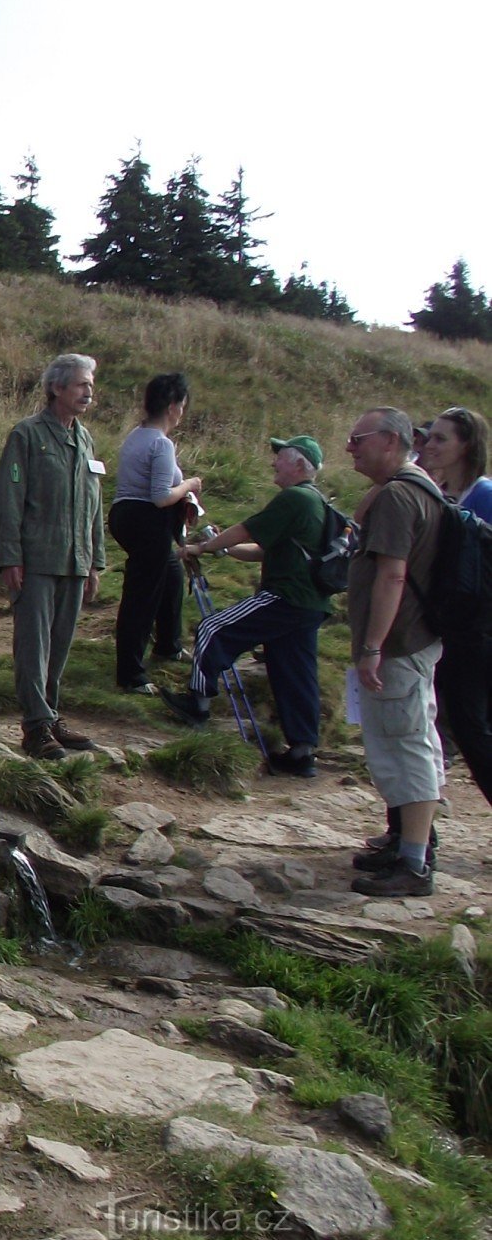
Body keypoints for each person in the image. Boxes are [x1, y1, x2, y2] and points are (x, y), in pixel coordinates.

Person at [161, 436, 331, 778]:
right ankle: (302, 751)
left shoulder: (294, 498)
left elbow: (245, 530)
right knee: (295, 673)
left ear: (299, 465)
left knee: (212, 629)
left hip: (284, 597)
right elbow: (260, 549)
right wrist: (221, 548)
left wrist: (204, 547)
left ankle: (199, 702)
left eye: (280, 458)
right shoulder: (315, 502)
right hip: (310, 603)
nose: (274, 463)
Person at [340, 406, 448, 896]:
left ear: (388, 440)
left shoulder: (401, 497)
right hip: (411, 641)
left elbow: (392, 574)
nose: (350, 447)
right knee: (406, 742)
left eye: (358, 438)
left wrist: (371, 646)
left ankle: (414, 863)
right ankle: (407, 843)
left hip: (398, 645)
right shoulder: (414, 488)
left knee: (406, 747)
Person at [0, 353, 108, 760]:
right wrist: (9, 557)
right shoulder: (27, 435)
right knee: (33, 645)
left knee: (60, 645)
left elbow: (94, 503)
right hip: (36, 558)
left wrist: (95, 562)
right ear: (56, 388)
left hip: (75, 561)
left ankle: (51, 714)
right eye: (81, 385)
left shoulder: (85, 439)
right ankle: (36, 725)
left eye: (90, 385)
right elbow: (8, 498)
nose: (88, 392)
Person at [415, 406, 492, 811]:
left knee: (470, 727)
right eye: (430, 437)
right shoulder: (447, 496)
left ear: (467, 446)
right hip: (457, 630)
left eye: (442, 438)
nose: (430, 445)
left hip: (479, 632)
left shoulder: (485, 496)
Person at [109, 373, 204, 694]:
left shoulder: (137, 435)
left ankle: (168, 643)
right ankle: (131, 674)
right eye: (182, 406)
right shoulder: (161, 444)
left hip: (126, 515)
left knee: (172, 574)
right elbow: (161, 496)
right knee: (142, 595)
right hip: (147, 520)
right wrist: (190, 485)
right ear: (174, 406)